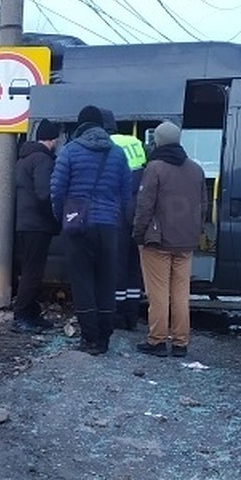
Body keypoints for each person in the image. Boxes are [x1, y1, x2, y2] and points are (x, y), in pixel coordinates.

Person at [50, 105, 131, 355]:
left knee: (82, 280)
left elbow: (57, 190)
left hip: (78, 226)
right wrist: (117, 219)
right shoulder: (118, 154)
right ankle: (105, 338)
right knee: (106, 280)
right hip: (108, 226)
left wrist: (62, 217)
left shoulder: (70, 151)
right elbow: (126, 195)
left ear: (81, 125)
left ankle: (89, 339)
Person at [132, 120, 207, 357]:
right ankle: (180, 343)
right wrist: (196, 232)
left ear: (158, 141)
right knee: (181, 294)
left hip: (158, 241)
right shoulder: (196, 169)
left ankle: (156, 341)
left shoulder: (155, 168)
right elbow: (203, 206)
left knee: (159, 293)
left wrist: (138, 234)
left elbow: (145, 206)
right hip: (185, 242)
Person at [12, 119, 62, 333]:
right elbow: (44, 194)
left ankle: (31, 313)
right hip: (37, 224)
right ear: (54, 139)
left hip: (25, 222)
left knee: (30, 269)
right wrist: (54, 218)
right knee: (33, 272)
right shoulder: (43, 160)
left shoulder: (24, 158)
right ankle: (21, 316)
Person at [102, 109, 147, 330]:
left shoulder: (107, 145)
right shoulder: (135, 142)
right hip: (137, 206)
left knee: (116, 265)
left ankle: (117, 315)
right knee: (133, 265)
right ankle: (132, 313)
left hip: (118, 209)